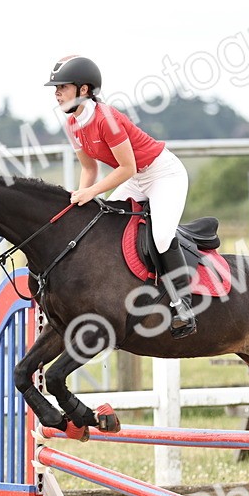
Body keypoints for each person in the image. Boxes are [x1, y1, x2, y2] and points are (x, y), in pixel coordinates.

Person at [46, 55, 196, 338]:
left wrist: (91, 192)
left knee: (162, 236)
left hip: (164, 175)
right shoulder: (73, 124)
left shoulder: (107, 120)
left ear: (84, 90)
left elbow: (126, 166)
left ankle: (183, 303)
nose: (57, 93)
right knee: (100, 222)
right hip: (137, 179)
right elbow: (89, 168)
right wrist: (80, 197)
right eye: (55, 88)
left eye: (62, 87)